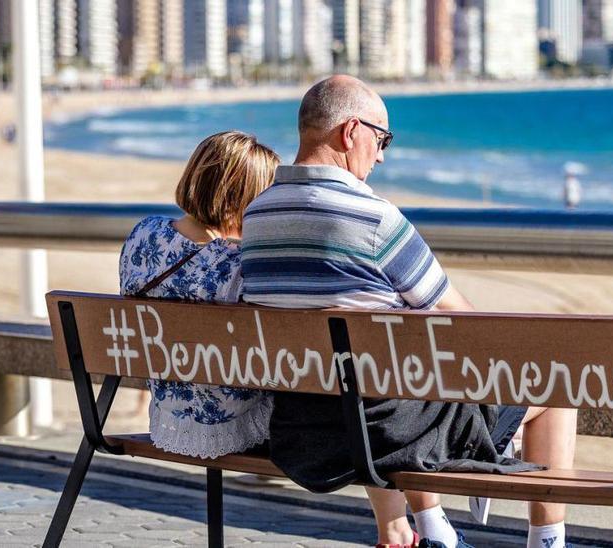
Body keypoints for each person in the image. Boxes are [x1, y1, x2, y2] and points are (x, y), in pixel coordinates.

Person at [240, 76, 578, 548]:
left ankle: (437, 529)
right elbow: (461, 319)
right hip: (389, 434)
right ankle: (547, 541)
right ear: (350, 131)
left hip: (301, 430)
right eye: (382, 139)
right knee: (557, 382)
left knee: (394, 374)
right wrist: (506, 378)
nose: (381, 155)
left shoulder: (255, 217)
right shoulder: (374, 220)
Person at [118, 130, 280, 459]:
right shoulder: (238, 265)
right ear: (243, 200)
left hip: (168, 414)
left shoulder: (143, 234)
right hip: (231, 424)